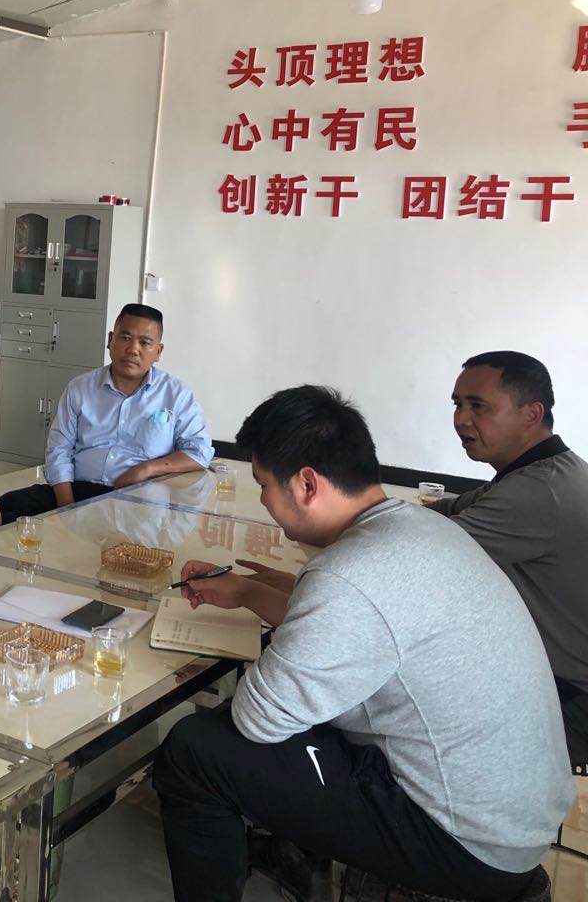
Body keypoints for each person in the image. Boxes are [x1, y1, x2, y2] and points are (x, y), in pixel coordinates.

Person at [152, 385, 570, 902]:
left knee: (195, 747)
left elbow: (259, 719)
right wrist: (246, 592)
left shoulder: (350, 573)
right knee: (304, 710)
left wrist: (284, 628)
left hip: (465, 841)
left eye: (263, 485)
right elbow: (365, 627)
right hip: (513, 814)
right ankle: (291, 858)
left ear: (307, 484)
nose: (263, 502)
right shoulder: (415, 525)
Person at [431, 350, 588, 764]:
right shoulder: (538, 472)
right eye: (458, 404)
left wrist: (336, 513)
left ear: (531, 414)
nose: (461, 419)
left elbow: (418, 550)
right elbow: (439, 515)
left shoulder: (540, 491)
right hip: (544, 681)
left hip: (569, 704)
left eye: (478, 406)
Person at [0, 304, 213, 522]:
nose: (133, 349)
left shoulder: (175, 394)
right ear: (110, 340)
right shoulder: (79, 388)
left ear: (158, 352)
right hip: (78, 490)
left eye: (145, 343)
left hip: (139, 498)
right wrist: (67, 509)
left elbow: (200, 451)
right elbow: (59, 450)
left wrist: (145, 469)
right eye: (125, 338)